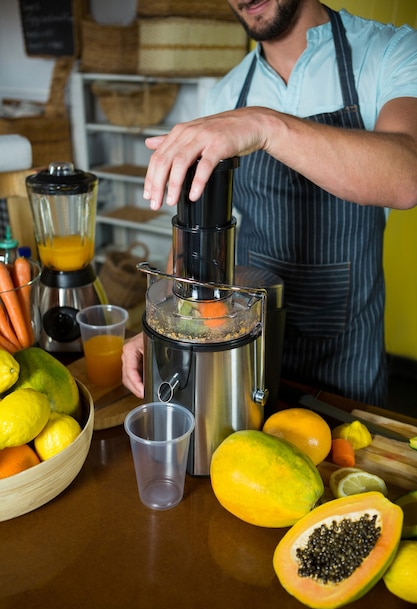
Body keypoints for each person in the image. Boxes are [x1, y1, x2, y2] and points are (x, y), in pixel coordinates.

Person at [122, 0, 417, 406]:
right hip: (240, 350)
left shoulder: (388, 52)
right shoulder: (227, 93)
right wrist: (167, 323)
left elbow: (407, 174)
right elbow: (199, 233)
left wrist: (263, 124)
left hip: (346, 359)